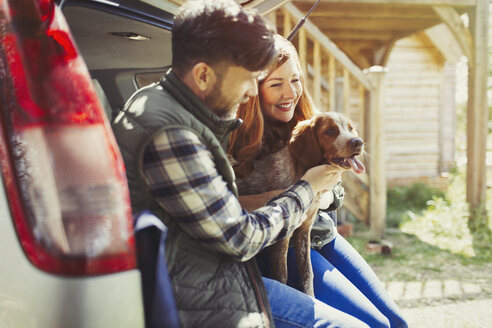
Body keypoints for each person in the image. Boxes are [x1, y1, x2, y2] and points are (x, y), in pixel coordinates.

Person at [112, 1, 370, 327]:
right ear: (203, 74)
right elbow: (241, 238)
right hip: (211, 295)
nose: (252, 91)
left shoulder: (172, 111)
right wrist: (308, 189)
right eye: (249, 78)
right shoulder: (171, 132)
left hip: (222, 273)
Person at [228, 34, 408, 328]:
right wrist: (297, 193)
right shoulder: (237, 136)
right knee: (377, 325)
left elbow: (334, 191)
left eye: (295, 80)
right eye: (276, 84)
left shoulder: (308, 120)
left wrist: (323, 193)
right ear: (254, 89)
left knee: (396, 322)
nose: (290, 92)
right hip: (276, 242)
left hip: (322, 234)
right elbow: (230, 207)